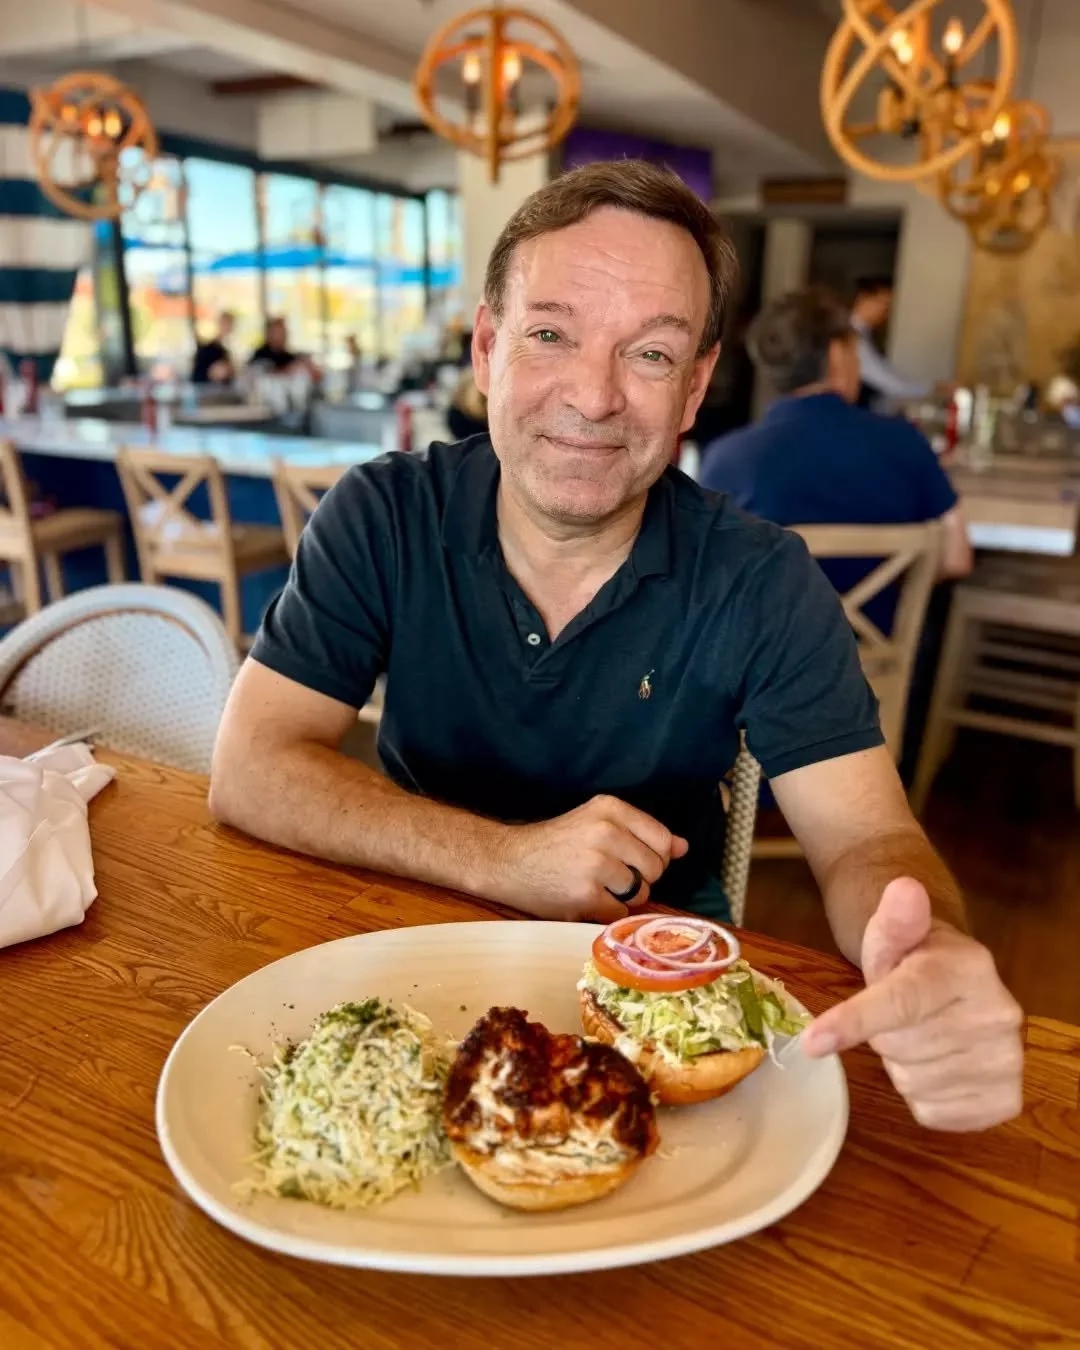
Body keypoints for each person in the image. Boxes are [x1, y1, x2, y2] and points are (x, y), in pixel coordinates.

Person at [210, 161, 1021, 1135]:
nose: (593, 397)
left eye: (650, 353)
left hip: (661, 1003)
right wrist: (511, 860)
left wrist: (924, 953)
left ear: (695, 388)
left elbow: (868, 840)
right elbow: (250, 768)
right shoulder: (383, 512)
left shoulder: (761, 577)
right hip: (403, 948)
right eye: (551, 334)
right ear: (485, 347)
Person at [700, 286, 973, 632]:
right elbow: (956, 558)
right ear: (837, 355)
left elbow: (706, 581)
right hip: (871, 673)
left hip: (763, 677)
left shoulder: (727, 459)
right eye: (855, 352)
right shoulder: (903, 441)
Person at [850, 276, 931, 410]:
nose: (885, 313)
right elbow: (880, 377)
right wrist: (928, 391)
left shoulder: (863, 334)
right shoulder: (850, 335)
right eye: (884, 304)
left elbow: (883, 370)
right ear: (864, 298)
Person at [191, 311, 235, 385]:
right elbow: (196, 377)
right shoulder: (206, 350)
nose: (228, 328)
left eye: (230, 324)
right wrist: (212, 374)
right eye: (225, 324)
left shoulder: (224, 351)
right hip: (207, 391)